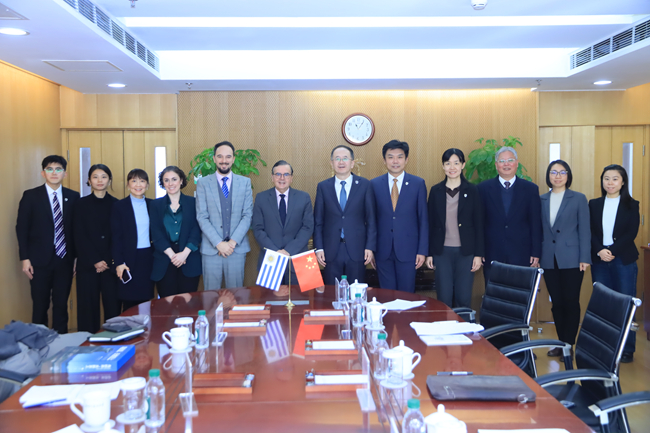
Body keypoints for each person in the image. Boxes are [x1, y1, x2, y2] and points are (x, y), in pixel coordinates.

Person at [16, 155, 79, 334]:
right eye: (49, 169)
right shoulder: (31, 196)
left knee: (61, 305)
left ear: (65, 174)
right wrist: (25, 258)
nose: (54, 173)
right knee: (40, 305)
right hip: (38, 261)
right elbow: (22, 229)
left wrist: (76, 258)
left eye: (58, 169)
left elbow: (76, 230)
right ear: (43, 173)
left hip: (65, 259)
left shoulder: (73, 197)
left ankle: (61, 341)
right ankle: (39, 341)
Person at [540, 160, 590, 360]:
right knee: (557, 302)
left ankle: (569, 344)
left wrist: (585, 257)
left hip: (572, 258)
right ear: (548, 175)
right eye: (554, 172)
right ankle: (561, 343)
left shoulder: (578, 198)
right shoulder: (541, 199)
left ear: (568, 176)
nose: (558, 176)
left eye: (562, 172)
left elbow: (585, 230)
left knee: (571, 301)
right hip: (548, 258)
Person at [589, 164, 639, 363]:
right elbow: (589, 231)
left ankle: (627, 348)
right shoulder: (594, 204)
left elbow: (631, 233)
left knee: (626, 304)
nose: (610, 182)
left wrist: (612, 251)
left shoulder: (631, 205)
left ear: (623, 182)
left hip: (623, 260)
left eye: (615, 179)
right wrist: (600, 250)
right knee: (603, 305)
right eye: (606, 178)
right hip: (600, 260)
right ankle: (605, 346)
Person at [425, 149, 484, 308]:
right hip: (442, 252)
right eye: (448, 163)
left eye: (456, 163)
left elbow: (479, 224)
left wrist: (478, 254)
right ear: (443, 166)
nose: (452, 167)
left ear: (463, 165)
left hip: (466, 252)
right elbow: (430, 223)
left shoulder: (472, 190)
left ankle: (462, 325)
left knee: (463, 297)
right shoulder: (436, 191)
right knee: (444, 297)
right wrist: (429, 253)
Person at [478, 146, 542, 283]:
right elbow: (479, 223)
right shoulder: (483, 189)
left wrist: (536, 252)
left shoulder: (530, 189)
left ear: (517, 163)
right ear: (496, 165)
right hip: (492, 252)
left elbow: (536, 223)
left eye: (510, 160)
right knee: (494, 292)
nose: (506, 164)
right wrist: (480, 251)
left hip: (522, 253)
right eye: (502, 161)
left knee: (519, 292)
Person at [314, 145, 377, 285]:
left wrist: (370, 247)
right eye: (337, 159)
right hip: (331, 250)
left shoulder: (365, 185)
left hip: (357, 249)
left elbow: (371, 219)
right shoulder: (323, 187)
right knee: (332, 292)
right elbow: (318, 221)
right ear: (331, 163)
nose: (341, 162)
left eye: (345, 158)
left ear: (352, 163)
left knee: (356, 292)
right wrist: (319, 248)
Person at [371, 140, 428, 292]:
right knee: (386, 295)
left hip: (409, 250)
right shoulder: (374, 184)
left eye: (399, 157)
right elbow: (371, 220)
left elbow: (423, 219)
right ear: (384, 160)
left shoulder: (417, 183)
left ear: (406, 160)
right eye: (390, 157)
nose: (395, 161)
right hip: (382, 250)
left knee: (406, 294)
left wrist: (422, 250)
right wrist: (371, 248)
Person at [196, 141, 254, 290]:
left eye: (228, 157)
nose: (224, 160)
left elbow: (247, 215)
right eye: (220, 156)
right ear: (214, 158)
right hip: (211, 249)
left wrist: (232, 243)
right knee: (210, 296)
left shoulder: (245, 182)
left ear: (233, 159)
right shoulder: (203, 183)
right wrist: (218, 243)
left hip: (236, 249)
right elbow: (202, 216)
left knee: (236, 295)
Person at [73, 164, 119, 333]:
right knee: (87, 308)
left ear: (109, 180)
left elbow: (118, 236)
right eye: (95, 177)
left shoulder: (117, 204)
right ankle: (87, 342)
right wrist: (95, 260)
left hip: (110, 265)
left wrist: (106, 260)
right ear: (89, 180)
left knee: (113, 308)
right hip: (87, 265)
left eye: (104, 176)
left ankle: (113, 342)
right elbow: (78, 235)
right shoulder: (80, 204)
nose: (100, 180)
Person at [252, 160, 313, 282]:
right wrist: (276, 252)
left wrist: (288, 250)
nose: (282, 178)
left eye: (286, 174)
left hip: (298, 258)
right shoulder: (261, 198)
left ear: (291, 178)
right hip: (271, 259)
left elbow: (308, 227)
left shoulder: (304, 197)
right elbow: (258, 229)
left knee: (300, 295)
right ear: (272, 177)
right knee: (270, 295)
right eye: (278, 174)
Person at [150, 166, 202, 297]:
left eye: (174, 179)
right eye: (166, 180)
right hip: (165, 259)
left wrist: (184, 254)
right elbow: (156, 233)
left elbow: (197, 229)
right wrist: (173, 256)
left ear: (181, 181)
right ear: (163, 183)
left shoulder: (194, 203)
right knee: (167, 303)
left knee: (188, 303)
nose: (170, 183)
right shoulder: (155, 205)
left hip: (189, 257)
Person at [112, 169, 154, 311]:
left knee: (146, 301)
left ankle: (146, 326)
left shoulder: (153, 205)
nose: (138, 184)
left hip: (148, 258)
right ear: (128, 185)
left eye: (142, 181)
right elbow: (116, 237)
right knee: (129, 302)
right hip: (128, 260)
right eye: (134, 181)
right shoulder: (119, 206)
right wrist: (119, 262)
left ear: (147, 185)